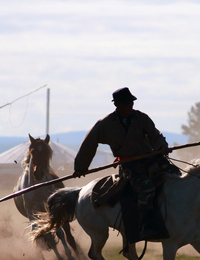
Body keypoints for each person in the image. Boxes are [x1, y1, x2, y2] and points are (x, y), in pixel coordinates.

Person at [73, 87, 172, 247]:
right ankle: (147, 224)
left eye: (131, 102)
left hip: (152, 159)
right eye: (126, 103)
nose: (130, 106)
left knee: (176, 176)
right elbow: (89, 143)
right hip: (130, 166)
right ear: (117, 105)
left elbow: (155, 134)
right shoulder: (105, 124)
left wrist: (162, 146)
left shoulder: (141, 118)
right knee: (146, 188)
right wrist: (81, 167)